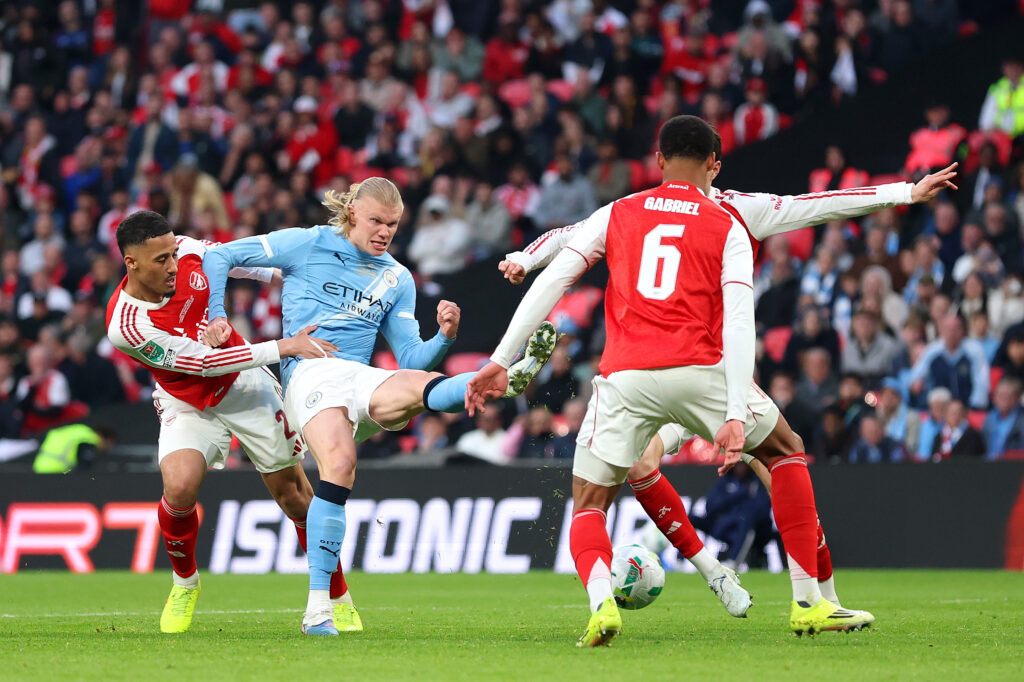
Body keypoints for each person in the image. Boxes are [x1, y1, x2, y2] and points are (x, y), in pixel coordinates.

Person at [498, 130, 958, 630]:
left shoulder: (687, 209)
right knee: (772, 454)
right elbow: (819, 206)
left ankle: (816, 592)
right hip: (711, 375)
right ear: (713, 164)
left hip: (664, 372)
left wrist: (525, 258)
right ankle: (761, 586)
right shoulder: (725, 216)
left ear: (661, 161)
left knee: (766, 466)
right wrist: (903, 193)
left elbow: (571, 236)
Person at [201, 177, 556, 636]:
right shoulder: (306, 243)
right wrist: (216, 313)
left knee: (423, 384)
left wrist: (443, 337)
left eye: (392, 224)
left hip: (360, 382)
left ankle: (502, 381)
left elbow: (410, 357)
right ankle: (317, 613)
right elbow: (219, 254)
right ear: (352, 215)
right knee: (342, 464)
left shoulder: (397, 277)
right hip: (310, 372)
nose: (385, 232)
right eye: (376, 221)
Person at [105, 210, 351, 635]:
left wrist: (281, 279)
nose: (174, 265)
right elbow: (203, 364)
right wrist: (284, 346)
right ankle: (185, 583)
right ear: (131, 263)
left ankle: (337, 596)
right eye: (161, 260)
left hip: (244, 386)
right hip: (187, 397)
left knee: (294, 496)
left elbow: (232, 259)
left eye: (173, 253)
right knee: (179, 486)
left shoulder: (187, 251)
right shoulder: (127, 325)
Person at [982, 377, 1024, 460]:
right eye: (1001, 395)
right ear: (994, 398)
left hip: (1013, 466)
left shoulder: (1021, 420)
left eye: (1009, 396)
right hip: (988, 466)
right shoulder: (989, 419)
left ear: (1017, 398)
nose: (1005, 399)